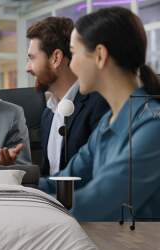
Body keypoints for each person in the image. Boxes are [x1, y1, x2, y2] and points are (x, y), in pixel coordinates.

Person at [39, 7, 160, 220]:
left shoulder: (153, 126)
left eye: (73, 53)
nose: (71, 63)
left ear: (100, 55)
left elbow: (101, 202)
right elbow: (65, 180)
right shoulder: (108, 122)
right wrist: (14, 186)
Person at [26, 17, 109, 176]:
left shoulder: (99, 106)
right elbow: (48, 174)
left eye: (32, 58)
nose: (28, 68)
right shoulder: (48, 114)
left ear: (55, 58)